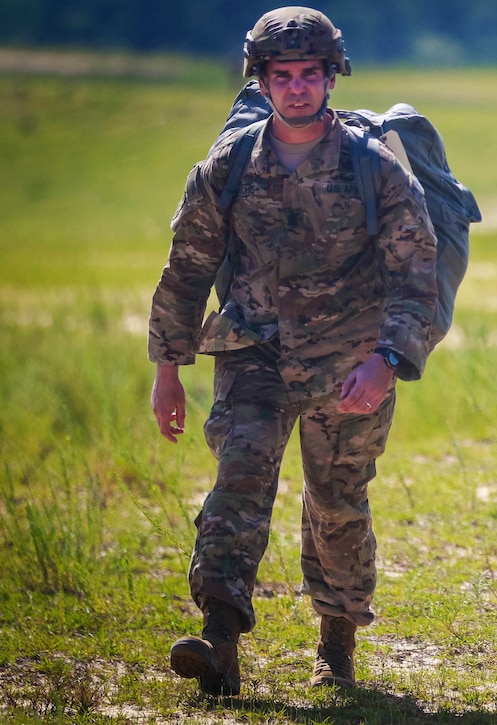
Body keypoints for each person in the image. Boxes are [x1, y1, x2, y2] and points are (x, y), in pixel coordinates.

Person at [148, 7, 438, 696]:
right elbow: (187, 267)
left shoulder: (374, 170)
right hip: (254, 353)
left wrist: (386, 361)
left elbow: (415, 275)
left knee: (337, 502)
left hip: (351, 362)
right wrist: (168, 369)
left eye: (312, 74)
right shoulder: (232, 164)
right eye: (285, 75)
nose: (299, 87)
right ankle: (219, 634)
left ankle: (336, 643)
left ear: (332, 77)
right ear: (263, 80)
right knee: (238, 483)